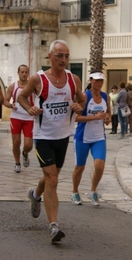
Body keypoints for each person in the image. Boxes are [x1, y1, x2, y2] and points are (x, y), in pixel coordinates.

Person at [17, 40, 86, 243]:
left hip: (63, 136)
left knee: (50, 177)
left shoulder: (74, 80)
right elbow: (22, 97)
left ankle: (35, 194)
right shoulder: (38, 79)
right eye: (59, 56)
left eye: (66, 56)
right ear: (50, 56)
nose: (63, 60)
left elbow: (81, 100)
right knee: (53, 179)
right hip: (43, 136)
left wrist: (79, 106)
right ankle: (54, 226)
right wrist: (29, 108)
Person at [70, 70, 111, 206]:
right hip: (83, 137)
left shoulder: (106, 97)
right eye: (96, 80)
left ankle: (93, 191)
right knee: (79, 167)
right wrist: (94, 117)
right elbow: (76, 117)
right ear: (90, 81)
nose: (98, 83)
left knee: (100, 165)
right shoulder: (84, 97)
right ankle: (75, 192)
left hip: (99, 137)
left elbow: (108, 112)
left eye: (101, 80)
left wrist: (107, 118)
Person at [3, 65, 34, 173]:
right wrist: (11, 106)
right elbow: (5, 101)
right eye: (22, 72)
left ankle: (25, 153)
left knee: (28, 144)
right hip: (16, 117)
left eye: (26, 72)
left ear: (28, 73)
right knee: (16, 142)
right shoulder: (13, 86)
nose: (24, 74)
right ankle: (17, 163)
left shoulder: (32, 85)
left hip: (29, 118)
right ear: (18, 73)